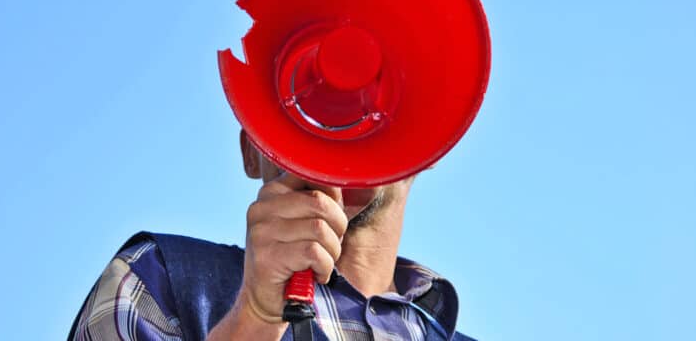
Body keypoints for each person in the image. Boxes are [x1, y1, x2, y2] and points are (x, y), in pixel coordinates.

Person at [69, 129, 477, 341]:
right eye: (298, 109)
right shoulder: (158, 280)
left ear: (431, 142)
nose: (338, 130)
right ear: (251, 150)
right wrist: (253, 322)